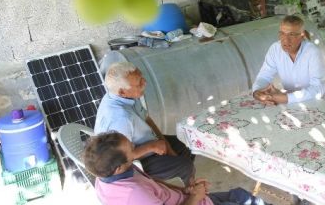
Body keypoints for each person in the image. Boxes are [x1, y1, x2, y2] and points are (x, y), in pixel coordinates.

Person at [84, 132, 268, 205]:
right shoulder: (134, 195)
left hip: (188, 199)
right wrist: (195, 196)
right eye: (131, 149)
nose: (134, 146)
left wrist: (186, 190)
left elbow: (153, 184)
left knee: (239, 195)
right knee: (245, 201)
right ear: (118, 167)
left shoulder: (107, 177)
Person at [95, 61, 195, 183]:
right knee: (184, 165)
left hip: (147, 142)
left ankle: (183, 175)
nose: (144, 83)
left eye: (142, 77)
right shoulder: (120, 119)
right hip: (134, 161)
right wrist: (152, 146)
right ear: (122, 91)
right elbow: (120, 159)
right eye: (139, 83)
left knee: (190, 143)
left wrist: (164, 143)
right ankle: (191, 191)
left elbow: (147, 119)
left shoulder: (127, 96)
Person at [252, 15, 325, 104]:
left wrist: (285, 98)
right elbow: (264, 76)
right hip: (291, 100)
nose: (286, 40)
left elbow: (318, 88)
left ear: (302, 36)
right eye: (282, 33)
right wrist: (257, 92)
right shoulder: (275, 49)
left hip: (319, 101)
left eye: (292, 34)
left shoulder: (313, 52)